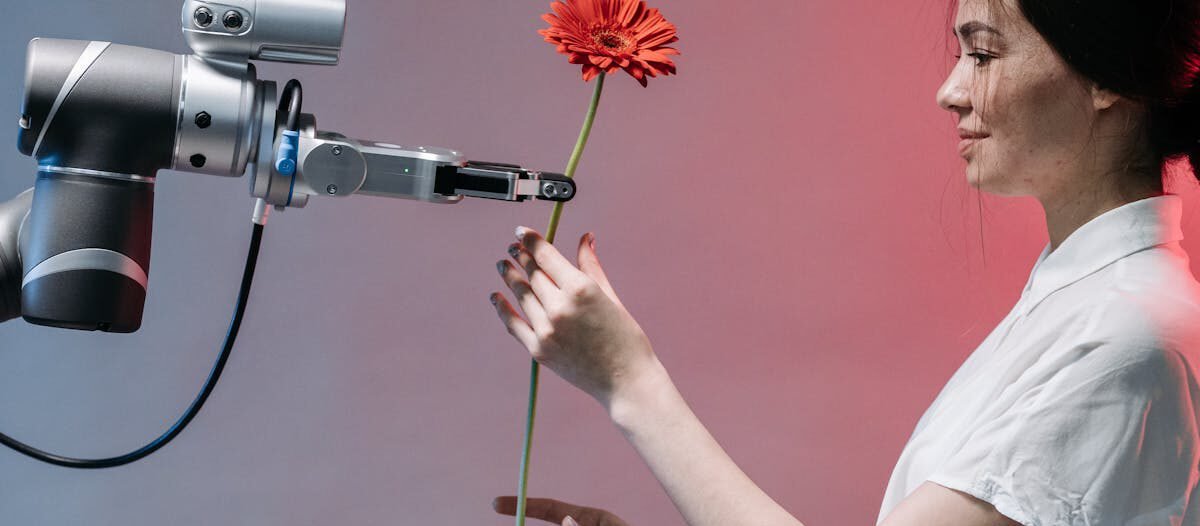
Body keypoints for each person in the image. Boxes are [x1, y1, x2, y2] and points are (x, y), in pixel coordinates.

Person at [486, 0, 1200, 523]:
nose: (949, 91)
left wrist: (630, 382)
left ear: (1110, 78)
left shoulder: (1124, 338)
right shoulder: (1092, 303)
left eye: (982, 54)